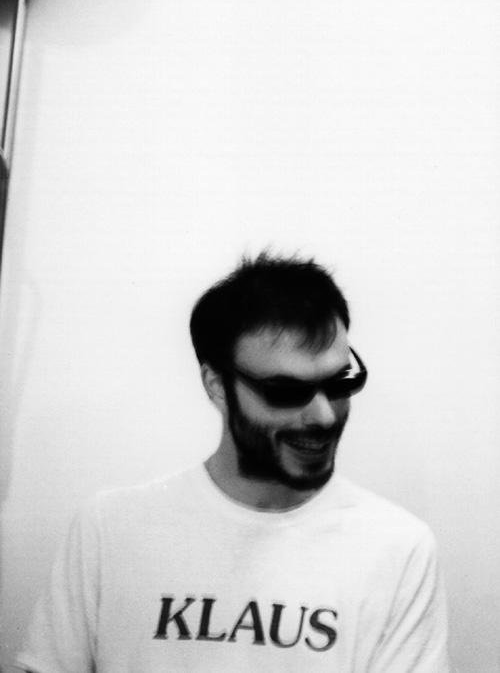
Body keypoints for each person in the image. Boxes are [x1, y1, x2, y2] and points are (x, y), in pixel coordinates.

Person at [17, 253, 450, 672]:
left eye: (340, 383)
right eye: (285, 391)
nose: (322, 415)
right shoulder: (109, 529)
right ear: (217, 385)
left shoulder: (397, 547)